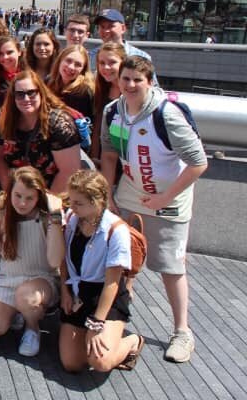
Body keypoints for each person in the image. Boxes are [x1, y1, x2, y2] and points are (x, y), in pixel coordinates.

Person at [100, 56, 208, 364]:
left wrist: (164, 198)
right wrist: (108, 192)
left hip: (169, 200)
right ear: (117, 81)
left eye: (137, 79)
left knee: (170, 267)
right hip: (130, 194)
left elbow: (199, 163)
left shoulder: (166, 114)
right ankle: (115, 314)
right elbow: (109, 154)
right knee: (120, 257)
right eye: (126, 79)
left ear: (150, 81)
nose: (131, 85)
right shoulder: (113, 112)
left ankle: (182, 332)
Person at [59, 170, 144, 373]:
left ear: (97, 202)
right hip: (79, 292)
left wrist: (96, 323)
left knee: (100, 362)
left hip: (105, 296)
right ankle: (91, 338)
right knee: (72, 363)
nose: (72, 207)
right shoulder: (73, 218)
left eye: (78, 203)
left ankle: (132, 341)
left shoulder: (115, 231)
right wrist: (65, 292)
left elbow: (112, 283)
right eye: (71, 200)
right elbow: (63, 259)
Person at [0, 167, 64, 357]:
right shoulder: (0, 207)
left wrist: (56, 216)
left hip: (42, 278)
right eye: (17, 196)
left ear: (38, 196)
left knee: (26, 297)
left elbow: (55, 260)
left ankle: (32, 328)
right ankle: (17, 311)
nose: (23, 203)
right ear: (9, 192)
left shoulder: (48, 214)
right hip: (8, 277)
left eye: (29, 198)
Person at [0, 71, 82, 195]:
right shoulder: (6, 120)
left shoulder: (60, 124)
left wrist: (44, 204)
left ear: (41, 93)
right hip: (17, 190)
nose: (26, 99)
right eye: (19, 94)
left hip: (53, 191)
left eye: (31, 93)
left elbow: (69, 171)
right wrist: (11, 192)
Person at [90, 42, 126, 162]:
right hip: (104, 157)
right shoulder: (101, 88)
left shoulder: (131, 92)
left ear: (123, 62)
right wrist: (94, 156)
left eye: (112, 62)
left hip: (126, 158)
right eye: (102, 63)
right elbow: (98, 126)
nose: (106, 67)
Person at [48, 44, 94, 119]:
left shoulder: (84, 93)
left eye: (78, 65)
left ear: (83, 70)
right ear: (60, 60)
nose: (71, 67)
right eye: (68, 61)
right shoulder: (48, 81)